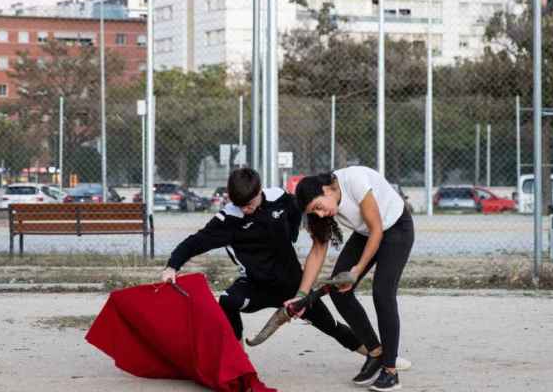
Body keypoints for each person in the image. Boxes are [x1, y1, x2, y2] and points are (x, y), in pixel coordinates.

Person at [160, 167, 362, 354]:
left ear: (259, 192)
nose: (245, 209)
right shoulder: (227, 220)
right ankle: (239, 359)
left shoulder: (280, 199)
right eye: (239, 205)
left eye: (249, 204)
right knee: (228, 301)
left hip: (293, 285)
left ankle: (375, 355)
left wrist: (294, 235)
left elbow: (303, 211)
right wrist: (172, 266)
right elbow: (194, 242)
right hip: (256, 286)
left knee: (331, 326)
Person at [293, 167, 414, 392]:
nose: (319, 214)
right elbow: (318, 251)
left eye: (318, 207)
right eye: (313, 212)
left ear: (327, 189)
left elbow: (377, 229)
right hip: (366, 234)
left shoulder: (355, 181)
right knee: (340, 291)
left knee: (382, 294)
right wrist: (301, 294)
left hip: (395, 229)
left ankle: (390, 371)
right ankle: (376, 353)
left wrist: (356, 271)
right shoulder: (323, 209)